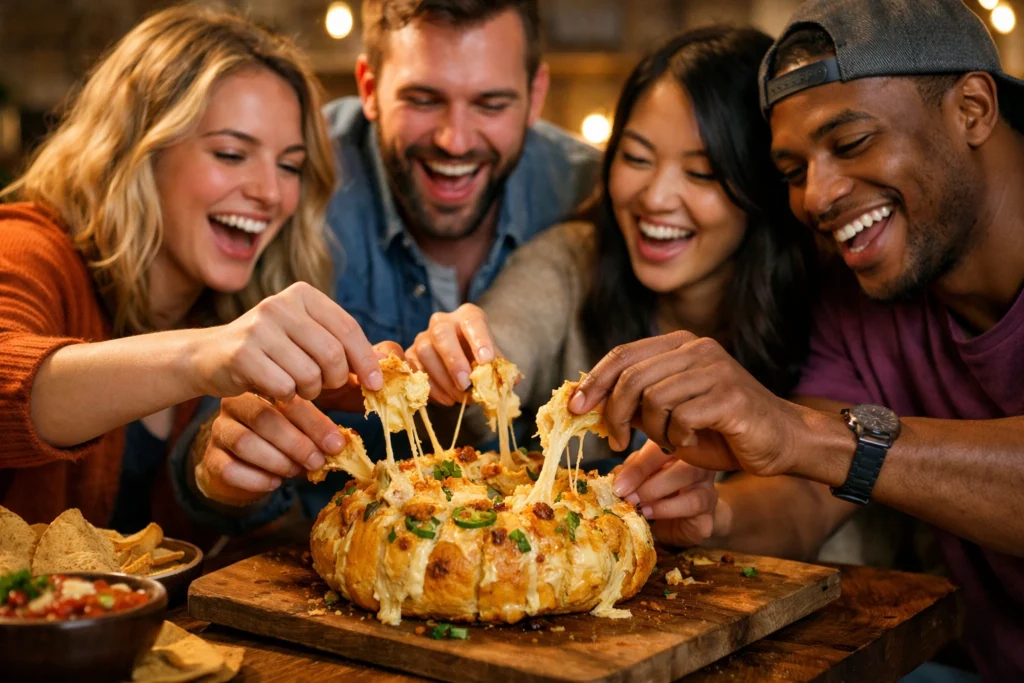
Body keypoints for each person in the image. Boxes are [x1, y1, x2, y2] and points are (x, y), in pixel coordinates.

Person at [582, 0, 1024, 679]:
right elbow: (808, 494)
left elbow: (819, 444)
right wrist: (714, 515)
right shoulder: (857, 289)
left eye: (851, 143)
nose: (816, 197)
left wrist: (801, 432)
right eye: (793, 172)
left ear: (972, 109)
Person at [177, 0, 600, 521]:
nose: (455, 140)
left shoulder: (594, 191)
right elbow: (204, 427)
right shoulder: (288, 175)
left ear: (536, 96)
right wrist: (219, 462)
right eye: (423, 99)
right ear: (369, 87)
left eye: (491, 104)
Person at [0, 5, 386, 532]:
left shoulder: (218, 307)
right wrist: (199, 357)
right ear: (137, 151)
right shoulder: (26, 246)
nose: (270, 193)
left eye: (290, 166)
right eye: (231, 154)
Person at [406, 26, 815, 473]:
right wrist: (463, 363)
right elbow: (506, 338)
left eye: (701, 173)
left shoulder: (821, 308)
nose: (655, 198)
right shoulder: (569, 259)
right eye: (637, 158)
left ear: (763, 185)